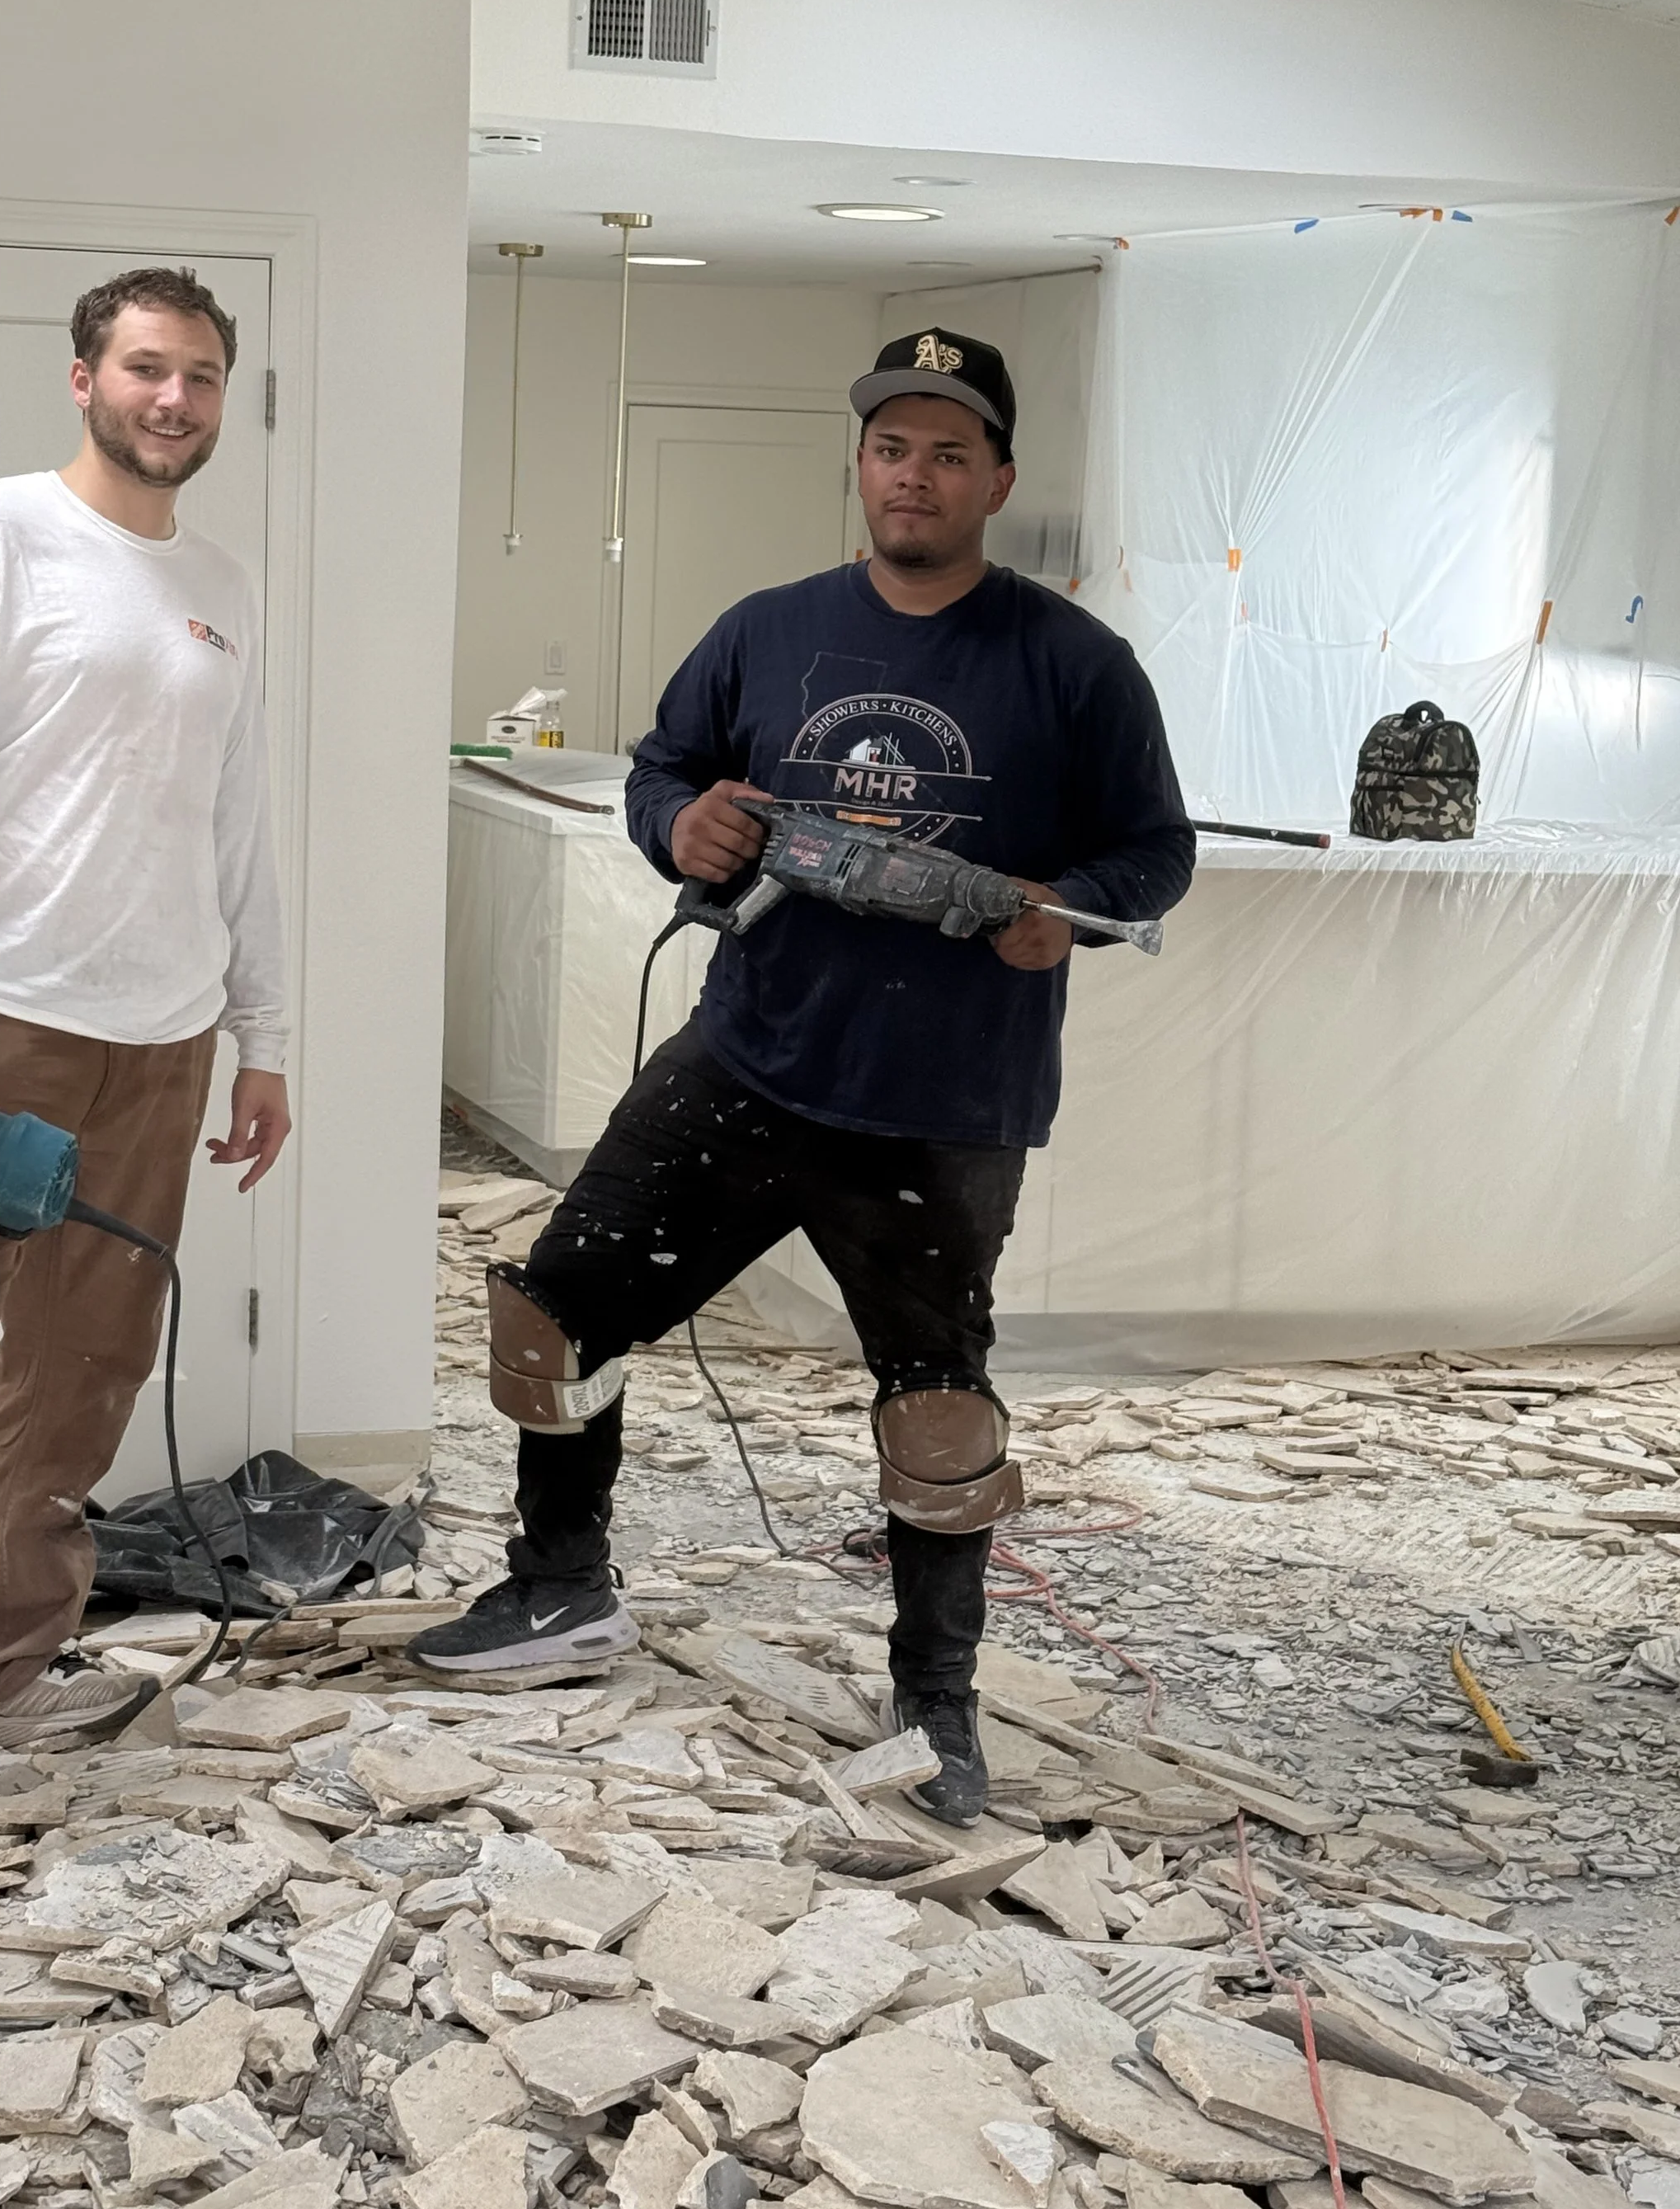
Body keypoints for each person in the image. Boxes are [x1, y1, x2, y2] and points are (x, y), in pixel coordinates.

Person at [410, 327, 1193, 1825]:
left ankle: (935, 1704)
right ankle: (562, 1586)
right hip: (749, 1055)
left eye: (950, 452)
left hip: (945, 1098)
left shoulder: (1076, 664)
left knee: (938, 1412)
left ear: (997, 480)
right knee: (562, 1311)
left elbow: (1156, 854)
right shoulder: (771, 629)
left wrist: (1057, 914)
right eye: (895, 448)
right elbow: (662, 769)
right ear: (862, 468)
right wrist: (677, 826)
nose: (917, 474)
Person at [0, 266, 292, 1830]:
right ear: (83, 379)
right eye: (148, 369)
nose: (176, 400)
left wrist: (262, 1033)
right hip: (0, 1019)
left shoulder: (224, 578)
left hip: (165, 1037)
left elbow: (237, 830)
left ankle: (15, 1663)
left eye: (204, 377)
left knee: (90, 1366)